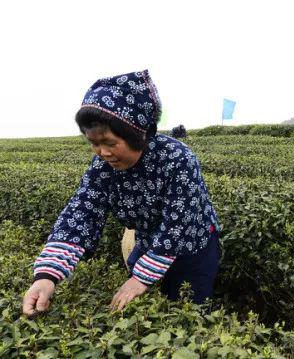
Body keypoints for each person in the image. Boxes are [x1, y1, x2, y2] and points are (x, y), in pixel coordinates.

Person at [22, 70, 222, 316]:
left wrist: (141, 278)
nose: (102, 153)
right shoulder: (102, 168)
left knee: (189, 308)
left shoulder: (178, 159)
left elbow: (178, 227)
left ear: (137, 134)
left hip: (193, 245)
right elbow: (82, 212)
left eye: (109, 142)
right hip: (148, 240)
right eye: (94, 144)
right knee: (144, 307)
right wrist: (47, 276)